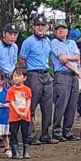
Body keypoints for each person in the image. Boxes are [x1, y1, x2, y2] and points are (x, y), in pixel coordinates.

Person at [18, 16, 57, 145]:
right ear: (33, 27)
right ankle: (30, 135)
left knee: (47, 107)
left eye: (43, 25)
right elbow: (22, 59)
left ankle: (46, 134)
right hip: (33, 74)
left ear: (46, 27)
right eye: (38, 25)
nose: (40, 27)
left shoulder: (47, 41)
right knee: (31, 106)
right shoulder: (28, 42)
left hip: (46, 74)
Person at [51, 21, 80, 141]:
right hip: (62, 74)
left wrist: (68, 57)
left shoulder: (72, 42)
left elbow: (77, 57)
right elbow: (63, 61)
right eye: (58, 29)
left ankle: (67, 131)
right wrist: (76, 70)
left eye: (63, 28)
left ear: (67, 31)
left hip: (73, 76)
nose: (61, 31)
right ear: (55, 32)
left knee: (72, 104)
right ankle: (57, 131)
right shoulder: (54, 42)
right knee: (61, 103)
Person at [7, 68, 32, 159]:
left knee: (25, 133)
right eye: (14, 76)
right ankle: (15, 152)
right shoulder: (11, 90)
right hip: (14, 116)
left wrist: (25, 112)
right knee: (14, 133)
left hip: (25, 116)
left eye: (18, 76)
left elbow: (28, 101)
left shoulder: (27, 89)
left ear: (24, 78)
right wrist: (18, 112)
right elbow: (12, 102)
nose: (16, 78)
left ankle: (25, 152)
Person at [0, 23, 19, 87]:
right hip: (1, 79)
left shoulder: (15, 46)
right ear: (4, 34)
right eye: (10, 34)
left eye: (15, 35)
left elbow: (14, 63)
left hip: (12, 79)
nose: (13, 37)